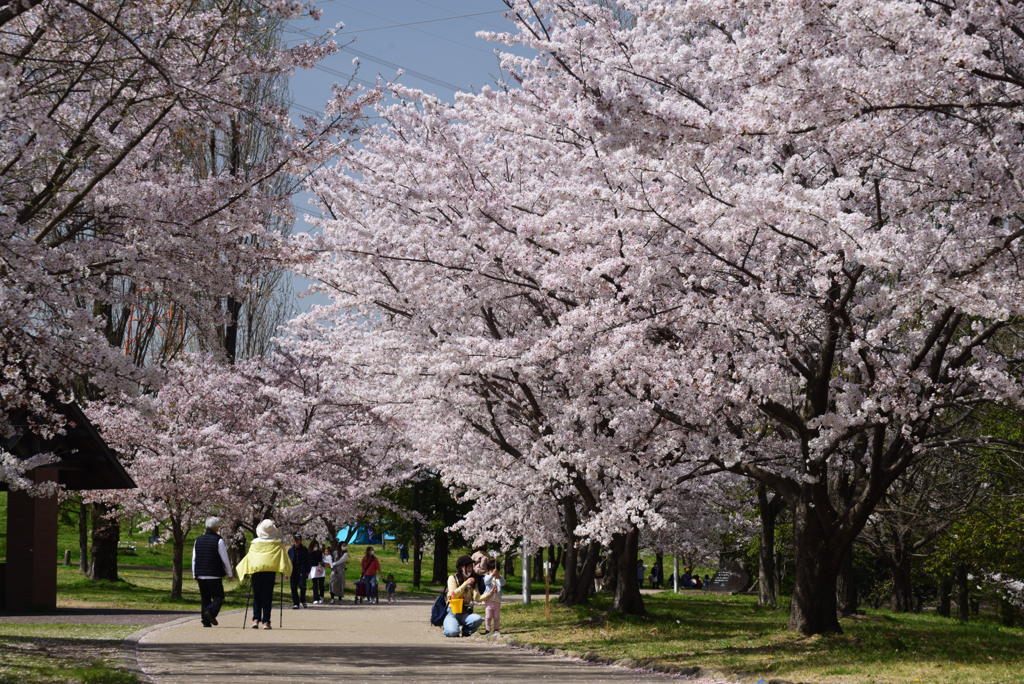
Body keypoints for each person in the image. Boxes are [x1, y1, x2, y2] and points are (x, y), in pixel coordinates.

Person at [236, 519, 292, 630]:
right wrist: (286, 570)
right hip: (270, 572)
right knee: (267, 597)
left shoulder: (255, 543)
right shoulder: (276, 544)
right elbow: (283, 558)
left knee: (257, 596)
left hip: (256, 571)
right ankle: (266, 621)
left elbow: (250, 556)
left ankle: (255, 620)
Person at [191, 516, 233, 627]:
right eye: (218, 526)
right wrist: (230, 573)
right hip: (214, 574)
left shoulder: (198, 540)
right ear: (215, 528)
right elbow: (225, 558)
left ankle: (206, 621)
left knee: (205, 598)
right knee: (218, 597)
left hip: (201, 575)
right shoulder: (218, 540)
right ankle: (210, 612)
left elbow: (194, 558)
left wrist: (195, 573)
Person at [444, 555, 494, 638]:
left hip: (465, 612)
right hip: (452, 611)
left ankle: (466, 630)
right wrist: (465, 584)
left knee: (477, 619)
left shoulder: (472, 580)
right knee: (453, 632)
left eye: (471, 566)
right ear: (461, 567)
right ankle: (450, 624)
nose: (470, 568)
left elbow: (477, 598)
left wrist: (489, 593)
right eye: (467, 566)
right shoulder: (452, 578)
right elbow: (452, 596)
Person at [288, 533, 311, 609]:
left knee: (302, 586)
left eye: (297, 540)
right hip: (293, 570)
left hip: (301, 570)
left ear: (301, 540)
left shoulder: (304, 550)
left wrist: (308, 570)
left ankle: (303, 600)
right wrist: (287, 571)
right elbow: (288, 561)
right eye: (295, 540)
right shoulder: (291, 550)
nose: (296, 541)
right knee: (293, 587)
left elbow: (308, 560)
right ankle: (296, 603)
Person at [482, 558, 503, 635]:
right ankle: (487, 629)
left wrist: (499, 577)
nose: (493, 572)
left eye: (495, 571)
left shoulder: (499, 578)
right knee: (488, 616)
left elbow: (503, 583)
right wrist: (492, 574)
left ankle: (496, 629)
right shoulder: (487, 577)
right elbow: (486, 581)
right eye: (491, 570)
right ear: (488, 571)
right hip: (489, 600)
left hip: (497, 600)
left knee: (496, 616)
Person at [308, 540, 326, 604]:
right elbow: (309, 561)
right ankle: (315, 598)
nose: (316, 547)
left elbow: (324, 559)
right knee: (315, 584)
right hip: (313, 569)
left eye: (317, 546)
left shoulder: (320, 553)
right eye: (315, 546)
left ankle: (321, 596)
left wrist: (322, 563)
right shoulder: (309, 553)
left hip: (320, 568)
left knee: (321, 584)